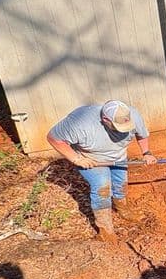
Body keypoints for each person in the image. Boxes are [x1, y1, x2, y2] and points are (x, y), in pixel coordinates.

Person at [46, 100, 156, 241]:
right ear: (105, 120)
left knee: (120, 183)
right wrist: (77, 159)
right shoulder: (80, 122)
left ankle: (122, 209)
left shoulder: (132, 114)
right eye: (118, 126)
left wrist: (147, 153)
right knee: (102, 186)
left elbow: (142, 135)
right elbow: (53, 138)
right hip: (92, 159)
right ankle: (106, 230)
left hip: (119, 157)